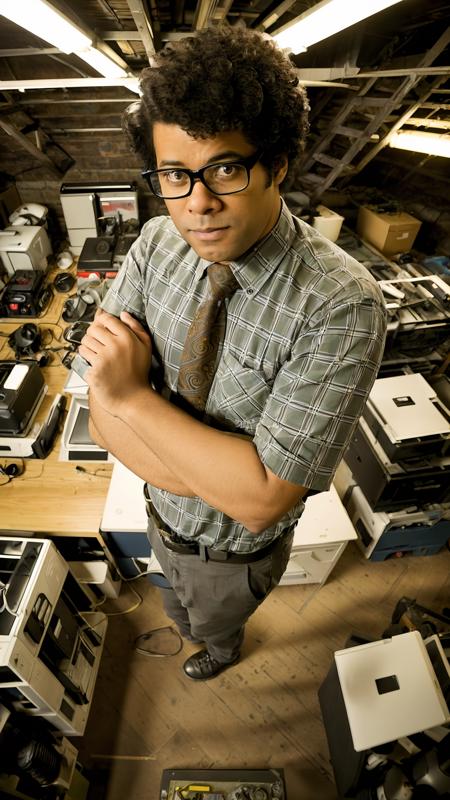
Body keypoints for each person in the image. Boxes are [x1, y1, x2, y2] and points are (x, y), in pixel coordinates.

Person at [79, 24, 387, 681]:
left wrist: (135, 400)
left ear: (276, 163)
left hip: (236, 557)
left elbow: (260, 503)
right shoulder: (154, 245)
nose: (198, 205)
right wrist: (216, 477)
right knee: (176, 601)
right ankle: (197, 628)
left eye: (225, 167)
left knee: (215, 622)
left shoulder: (342, 306)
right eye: (174, 175)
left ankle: (220, 653)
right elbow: (96, 416)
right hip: (158, 518)